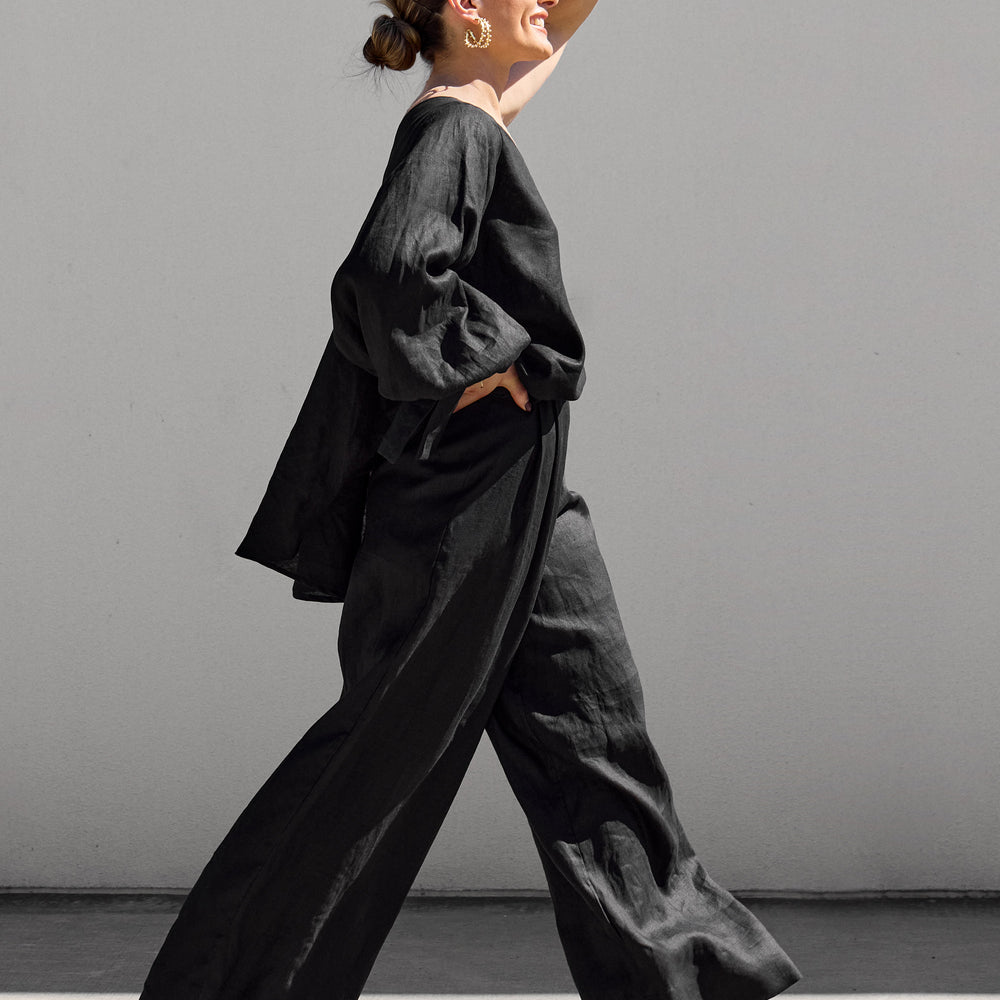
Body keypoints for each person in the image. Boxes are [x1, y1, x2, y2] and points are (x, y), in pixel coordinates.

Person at [140, 1, 802, 998]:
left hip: (526, 498)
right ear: (461, 12)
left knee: (596, 745)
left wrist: (537, 24)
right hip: (460, 505)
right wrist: (494, 361)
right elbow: (389, 271)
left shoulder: (480, 108)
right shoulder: (453, 126)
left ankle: (683, 981)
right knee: (376, 761)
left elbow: (547, 35)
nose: (540, 4)